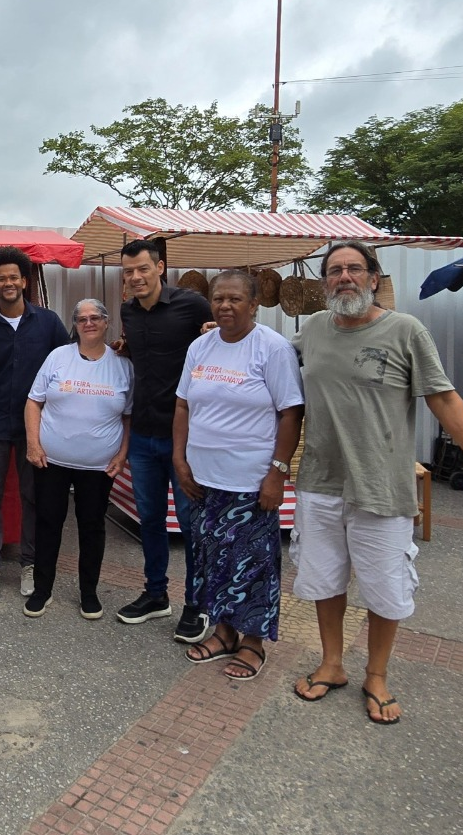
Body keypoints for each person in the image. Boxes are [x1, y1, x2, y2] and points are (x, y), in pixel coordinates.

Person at [290, 240, 463, 724]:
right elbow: (268, 363)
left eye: (353, 269)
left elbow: (443, 398)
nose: (343, 277)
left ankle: (377, 675)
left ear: (373, 277)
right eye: (335, 271)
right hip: (320, 482)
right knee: (325, 580)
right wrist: (223, 334)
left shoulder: (406, 331)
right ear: (325, 282)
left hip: (382, 485)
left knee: (385, 587)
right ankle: (332, 663)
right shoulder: (314, 330)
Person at [172, 270, 304, 681]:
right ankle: (224, 631)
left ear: (254, 304)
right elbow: (182, 407)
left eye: (234, 299)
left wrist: (277, 473)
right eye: (218, 299)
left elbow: (291, 413)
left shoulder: (273, 348)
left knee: (253, 564)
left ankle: (252, 642)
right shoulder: (201, 346)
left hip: (249, 481)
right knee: (213, 560)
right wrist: (180, 460)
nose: (225, 306)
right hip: (201, 479)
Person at [115, 239, 213, 641]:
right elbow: (142, 357)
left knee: (192, 526)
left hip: (185, 438)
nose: (135, 278)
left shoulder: (192, 306)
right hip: (143, 433)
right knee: (150, 521)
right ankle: (156, 595)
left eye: (141, 269)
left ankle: (197, 603)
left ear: (160, 267)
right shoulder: (127, 312)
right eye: (128, 272)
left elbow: (214, 348)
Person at [0, 246, 69, 601]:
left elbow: (64, 370)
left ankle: (30, 564)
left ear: (24, 281)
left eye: (13, 277)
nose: (8, 283)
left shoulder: (49, 323)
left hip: (36, 428)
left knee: (32, 496)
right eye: (1, 278)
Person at [22, 299, 132, 619]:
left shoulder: (122, 364)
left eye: (95, 317)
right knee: (48, 524)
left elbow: (129, 416)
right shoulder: (59, 356)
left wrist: (123, 453)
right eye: (81, 319)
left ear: (106, 322)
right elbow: (33, 401)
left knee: (92, 527)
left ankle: (89, 593)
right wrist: (33, 443)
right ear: (74, 324)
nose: (88, 323)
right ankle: (42, 591)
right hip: (51, 461)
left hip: (99, 466)